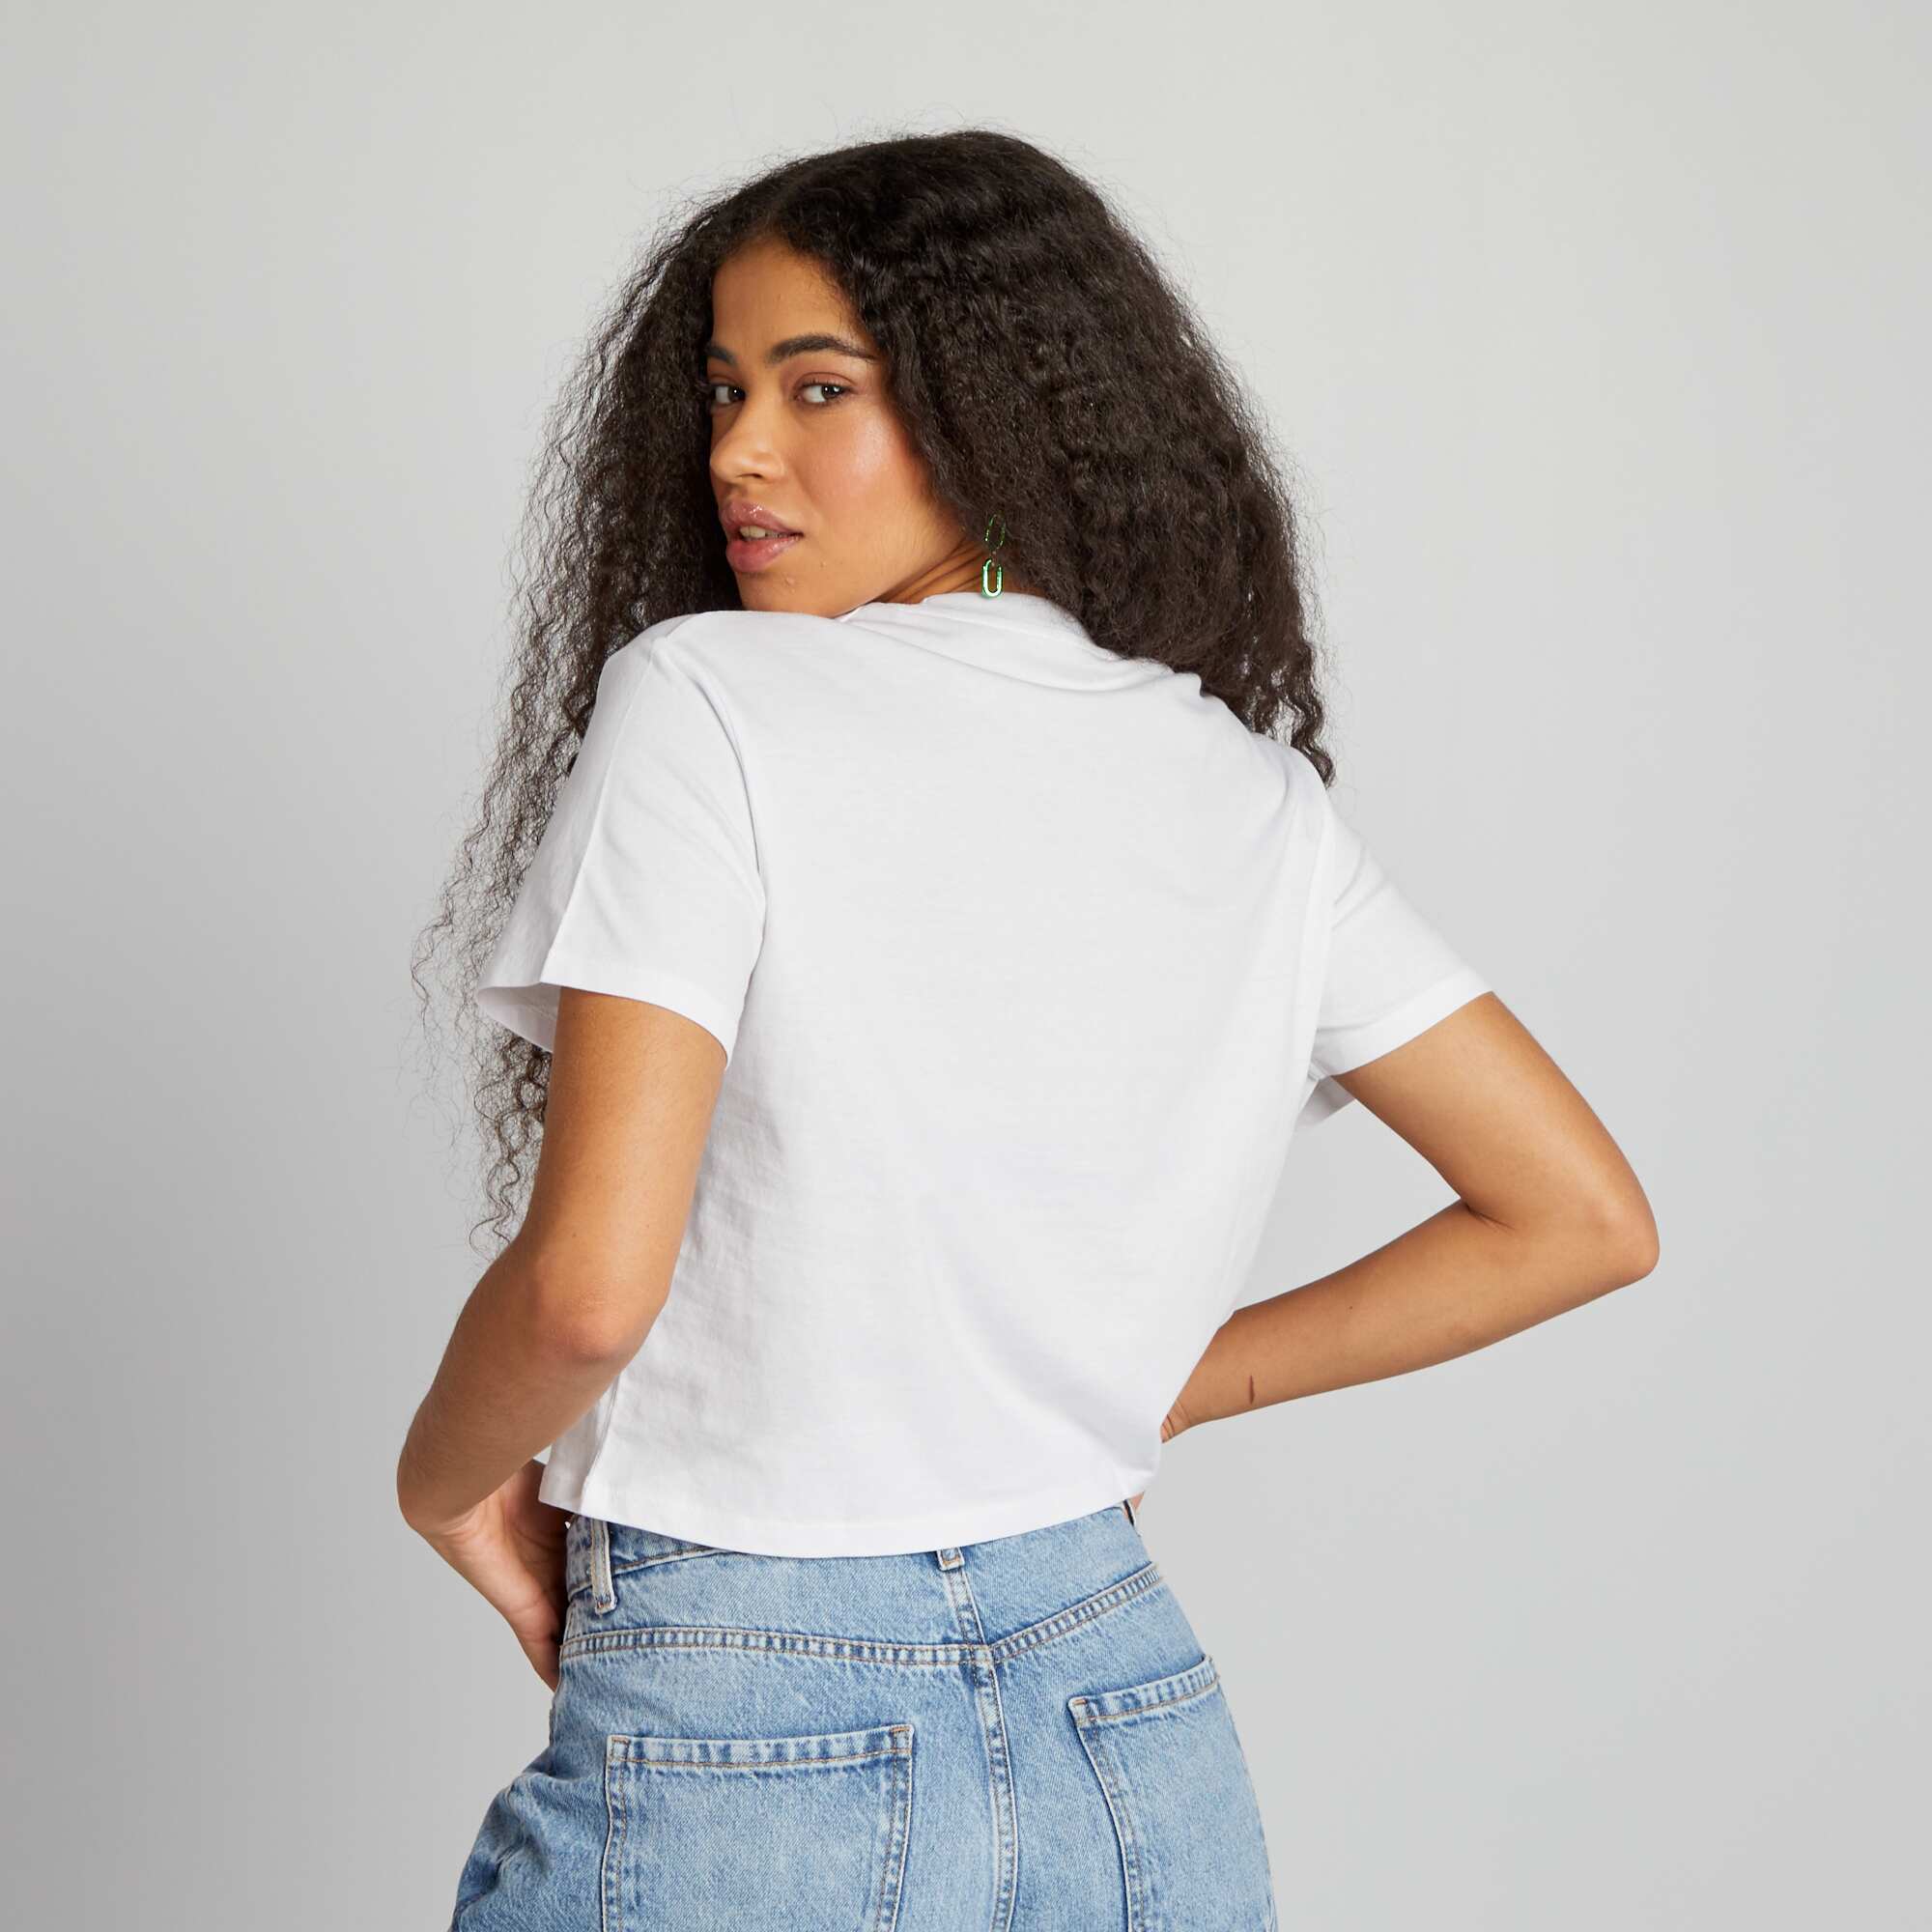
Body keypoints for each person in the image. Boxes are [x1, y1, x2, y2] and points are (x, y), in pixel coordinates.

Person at [399, 129, 1659, 1928]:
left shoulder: (710, 700)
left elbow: (590, 1293)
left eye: (817, 387)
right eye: (724, 389)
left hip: (755, 1709)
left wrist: (446, 1483)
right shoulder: (1242, 789)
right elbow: (1580, 1216)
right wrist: (1164, 1388)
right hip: (1131, 1722)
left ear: (990, 403)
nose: (737, 450)